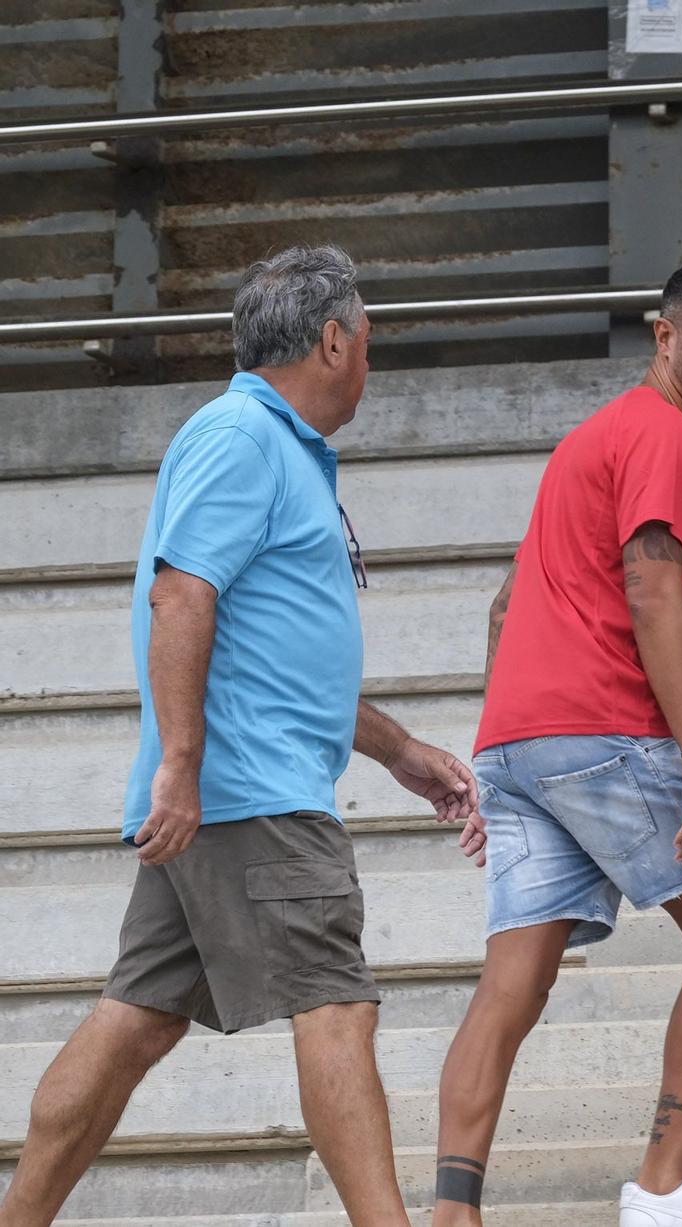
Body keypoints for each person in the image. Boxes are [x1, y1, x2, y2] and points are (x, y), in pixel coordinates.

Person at [0, 246, 483, 1227]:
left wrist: (399, 754)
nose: (368, 365)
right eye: (367, 345)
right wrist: (182, 767)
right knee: (338, 1006)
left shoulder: (271, 445)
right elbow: (182, 595)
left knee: (133, 1023)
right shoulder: (242, 438)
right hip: (250, 799)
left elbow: (277, 659)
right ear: (334, 339)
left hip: (226, 791)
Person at [433, 261, 682, 1227]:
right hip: (603, 725)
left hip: (521, 737)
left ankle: (453, 1212)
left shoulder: (592, 436)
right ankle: (661, 1191)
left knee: (514, 980)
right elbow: (651, 585)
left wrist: (503, 761)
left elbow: (506, 604)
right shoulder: (665, 434)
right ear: (663, 337)